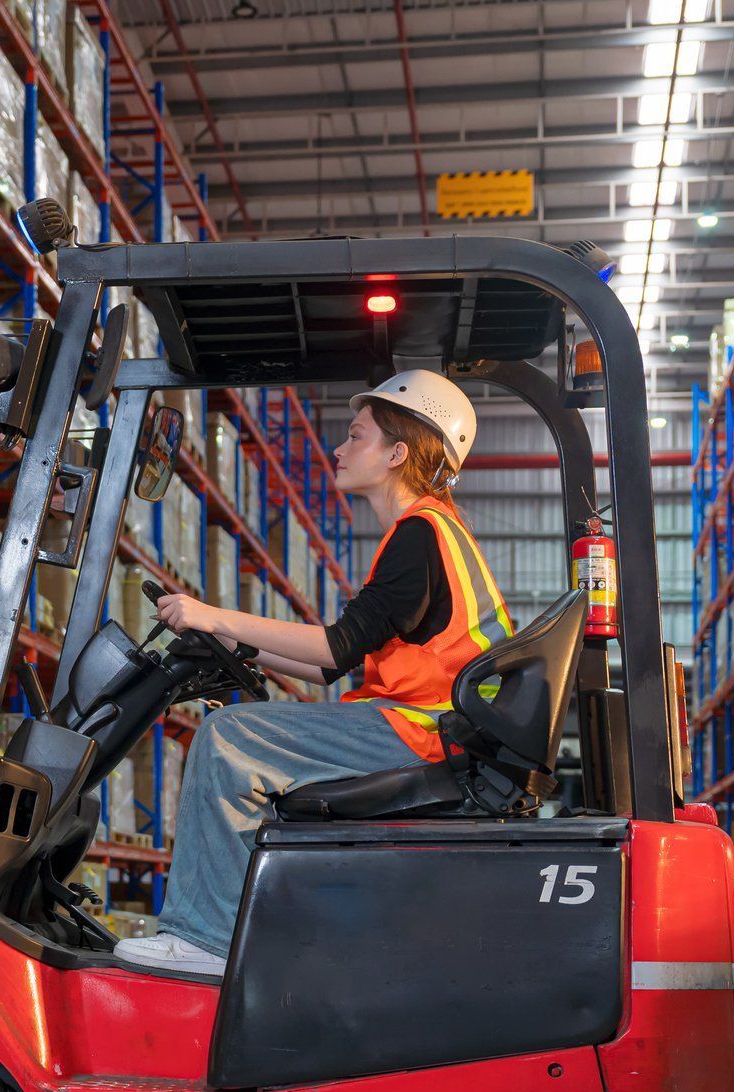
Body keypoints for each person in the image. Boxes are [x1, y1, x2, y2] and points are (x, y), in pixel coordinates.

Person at [111, 369, 513, 979]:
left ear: (397, 453)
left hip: (428, 732)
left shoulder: (419, 536)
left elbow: (333, 648)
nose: (339, 449)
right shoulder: (431, 533)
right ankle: (247, 933)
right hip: (436, 727)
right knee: (245, 737)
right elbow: (336, 666)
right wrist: (231, 640)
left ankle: (204, 938)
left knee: (228, 738)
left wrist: (213, 612)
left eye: (355, 436)